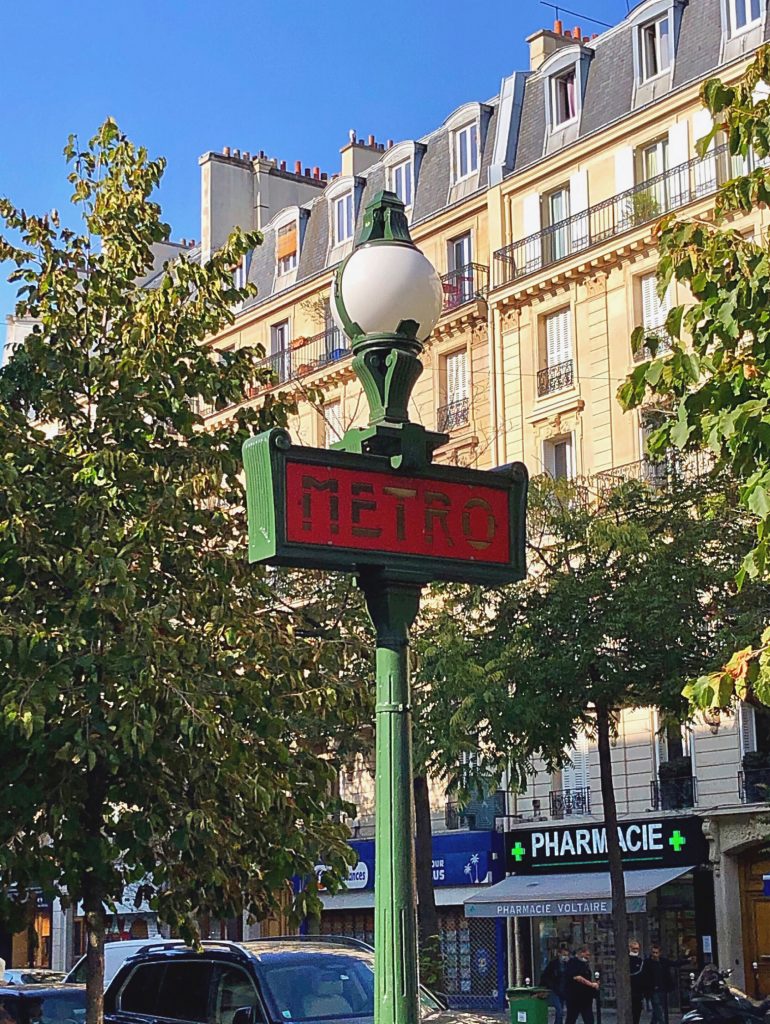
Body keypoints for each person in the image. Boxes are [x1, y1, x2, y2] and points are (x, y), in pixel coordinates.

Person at [642, 944, 691, 1024]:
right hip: (653, 989)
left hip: (663, 988)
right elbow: (645, 976)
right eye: (653, 953)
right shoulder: (647, 963)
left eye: (656, 953)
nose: (654, 955)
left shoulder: (663, 961)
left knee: (657, 1009)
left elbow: (674, 963)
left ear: (659, 953)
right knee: (657, 1007)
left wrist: (687, 960)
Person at [565, 945, 599, 1024]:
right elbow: (577, 977)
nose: (588, 957)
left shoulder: (585, 964)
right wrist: (591, 984)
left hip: (586, 997)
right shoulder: (573, 962)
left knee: (589, 1019)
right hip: (574, 997)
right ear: (581, 953)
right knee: (571, 1018)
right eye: (587, 955)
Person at [541, 944, 571, 1024]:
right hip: (554, 990)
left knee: (560, 1010)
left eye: (567, 955)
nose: (565, 957)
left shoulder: (568, 965)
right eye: (564, 955)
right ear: (559, 954)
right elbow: (545, 976)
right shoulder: (553, 964)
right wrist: (550, 986)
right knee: (559, 1010)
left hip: (563, 991)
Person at [629, 939, 645, 1024]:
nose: (635, 950)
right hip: (629, 989)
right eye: (633, 948)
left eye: (637, 949)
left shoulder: (640, 961)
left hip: (638, 990)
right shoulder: (627, 960)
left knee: (637, 1011)